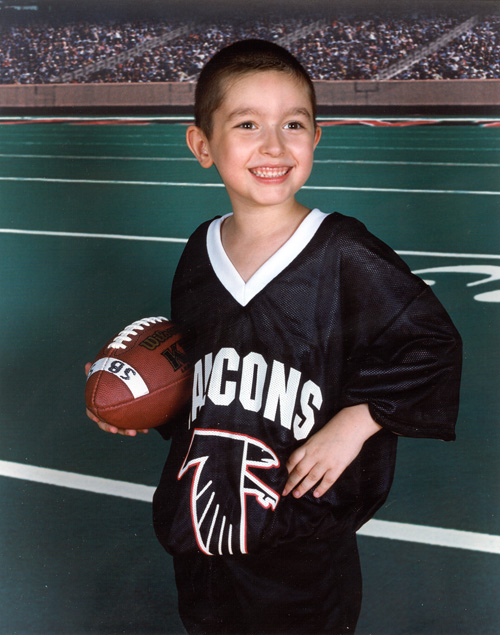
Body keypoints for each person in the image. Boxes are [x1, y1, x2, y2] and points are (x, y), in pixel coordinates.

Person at [87, 39, 462, 634]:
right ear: (202, 145)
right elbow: (206, 377)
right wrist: (143, 400)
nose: (273, 145)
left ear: (316, 137)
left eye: (293, 123)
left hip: (302, 541)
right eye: (247, 124)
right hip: (203, 529)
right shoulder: (198, 251)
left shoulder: (342, 250)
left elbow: (431, 344)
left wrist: (357, 422)